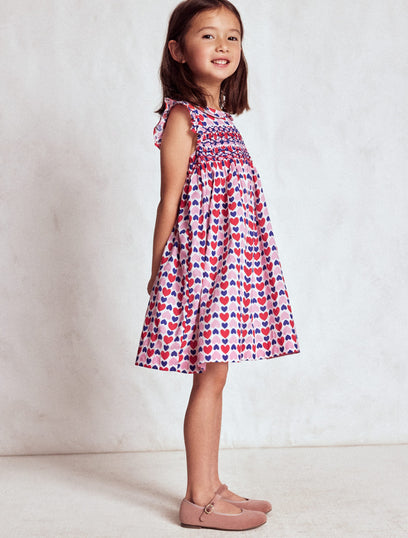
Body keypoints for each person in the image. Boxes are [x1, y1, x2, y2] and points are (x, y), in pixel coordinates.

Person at [135, 0, 301, 530]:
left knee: (217, 374)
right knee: (208, 376)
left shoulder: (222, 120)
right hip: (201, 264)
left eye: (233, 36)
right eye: (208, 35)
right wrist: (160, 271)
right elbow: (170, 199)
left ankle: (210, 482)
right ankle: (199, 498)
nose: (223, 45)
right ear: (178, 51)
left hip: (231, 262)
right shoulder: (183, 118)